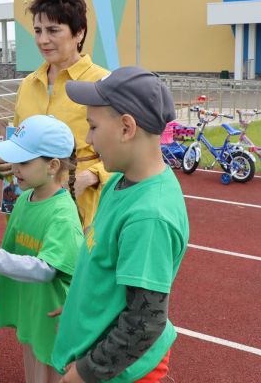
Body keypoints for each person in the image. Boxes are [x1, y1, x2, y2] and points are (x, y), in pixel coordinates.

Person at [51, 67, 190, 383]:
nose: (88, 139)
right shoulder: (119, 181)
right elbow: (104, 267)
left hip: (121, 374)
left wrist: (84, 373)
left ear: (127, 127)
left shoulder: (149, 217)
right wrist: (82, 307)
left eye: (93, 127)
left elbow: (145, 322)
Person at [0, 114, 84, 383]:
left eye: (23, 162)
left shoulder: (62, 215)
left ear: (53, 165)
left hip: (54, 325)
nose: (14, 168)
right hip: (36, 316)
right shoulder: (25, 198)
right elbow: (13, 253)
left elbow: (46, 269)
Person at [0, 0, 110, 229]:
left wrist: (93, 176)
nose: (43, 40)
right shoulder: (28, 84)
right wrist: (4, 160)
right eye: (37, 31)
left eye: (53, 30)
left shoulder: (102, 83)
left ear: (79, 33)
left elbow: (125, 150)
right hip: (31, 203)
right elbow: (18, 137)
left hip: (82, 205)